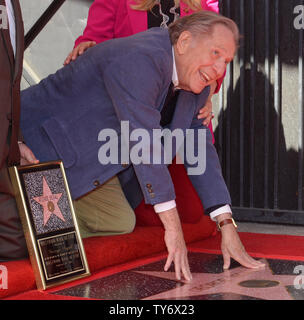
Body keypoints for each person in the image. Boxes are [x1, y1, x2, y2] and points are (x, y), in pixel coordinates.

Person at [20, 11, 265, 280]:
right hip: (36, 145)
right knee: (22, 234)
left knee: (120, 223)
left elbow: (199, 148)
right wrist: (173, 229)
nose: (220, 70)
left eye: (227, 60)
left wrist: (226, 224)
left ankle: (44, 226)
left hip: (89, 163)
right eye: (215, 53)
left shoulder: (197, 85)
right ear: (184, 42)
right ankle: (27, 224)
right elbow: (143, 141)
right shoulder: (142, 58)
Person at [63, 0, 222, 233]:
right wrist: (87, 47)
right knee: (136, 213)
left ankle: (134, 192)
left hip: (177, 120)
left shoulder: (205, 3)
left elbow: (217, 53)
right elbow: (95, 39)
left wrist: (210, 86)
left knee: (191, 211)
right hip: (126, 119)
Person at [0, 0, 39, 261]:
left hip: (6, 148)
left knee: (18, 248)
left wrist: (17, 140)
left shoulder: (13, 4)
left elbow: (8, 83)